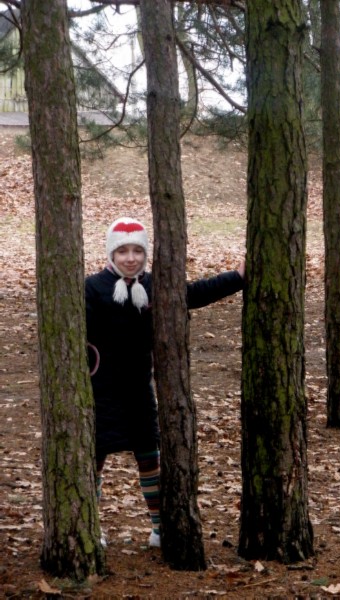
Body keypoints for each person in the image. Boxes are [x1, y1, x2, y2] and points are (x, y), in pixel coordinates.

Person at [85, 216, 244, 549]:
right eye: (123, 251)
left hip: (139, 392)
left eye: (137, 251)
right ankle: (88, 526)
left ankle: (159, 527)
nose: (131, 258)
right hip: (99, 393)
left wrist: (237, 278)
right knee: (92, 460)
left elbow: (193, 294)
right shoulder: (92, 288)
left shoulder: (157, 285)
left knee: (149, 457)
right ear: (111, 255)